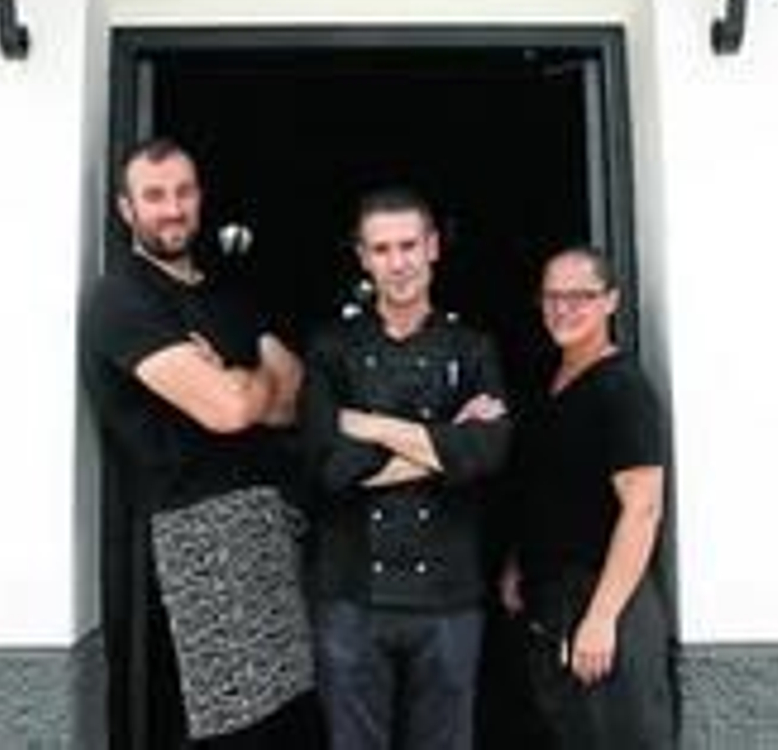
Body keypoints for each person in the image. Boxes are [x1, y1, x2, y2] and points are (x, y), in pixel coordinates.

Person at [80, 137, 321, 748]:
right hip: (197, 542)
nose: (172, 208)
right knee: (231, 729)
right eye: (154, 195)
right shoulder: (122, 299)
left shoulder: (225, 295)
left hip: (267, 531)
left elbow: (297, 396)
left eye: (183, 192)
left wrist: (241, 384)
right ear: (127, 209)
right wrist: (249, 387)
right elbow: (230, 409)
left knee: (285, 723)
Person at [301, 187, 512, 750]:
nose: (398, 263)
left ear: (433, 247)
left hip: (449, 595)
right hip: (350, 594)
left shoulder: (472, 348)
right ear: (363, 257)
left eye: (408, 246)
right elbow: (327, 467)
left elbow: (489, 452)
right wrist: (446, 444)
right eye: (382, 249)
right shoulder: (331, 348)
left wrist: (367, 425)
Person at [499, 246, 675, 749]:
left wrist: (602, 618)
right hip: (552, 600)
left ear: (611, 301)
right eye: (552, 296)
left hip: (605, 598)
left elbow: (642, 508)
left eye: (580, 296)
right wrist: (517, 562)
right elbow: (547, 490)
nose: (563, 308)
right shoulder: (547, 384)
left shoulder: (623, 389)